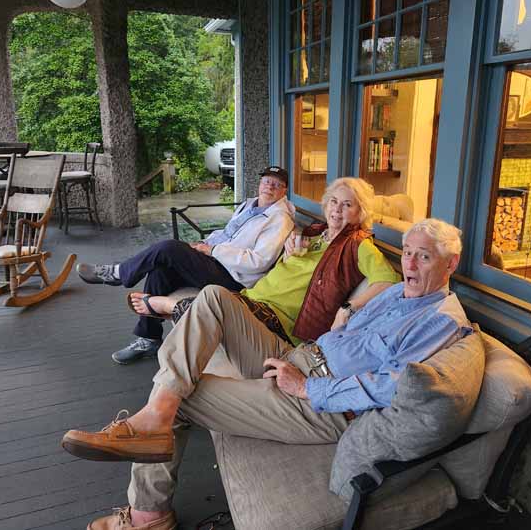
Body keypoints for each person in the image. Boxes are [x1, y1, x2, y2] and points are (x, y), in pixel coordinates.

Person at [62, 218, 471, 530]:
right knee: (214, 298)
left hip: (317, 405)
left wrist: (308, 386)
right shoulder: (400, 292)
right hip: (298, 357)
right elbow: (352, 332)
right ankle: (155, 416)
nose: (410, 264)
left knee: (179, 397)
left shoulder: (440, 321)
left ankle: (148, 515)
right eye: (407, 252)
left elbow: (388, 389)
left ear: (451, 263)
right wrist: (333, 329)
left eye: (424, 256)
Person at [127, 177, 399, 346]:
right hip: (255, 298)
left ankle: (171, 306)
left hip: (280, 319)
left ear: (360, 211)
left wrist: (349, 307)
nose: (337, 210)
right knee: (194, 286)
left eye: (347, 205)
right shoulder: (316, 233)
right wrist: (291, 248)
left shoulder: (358, 244)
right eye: (333, 202)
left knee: (213, 295)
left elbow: (389, 281)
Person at [76, 166, 295, 364]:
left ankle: (118, 273)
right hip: (214, 261)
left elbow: (258, 262)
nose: (269, 187)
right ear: (259, 183)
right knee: (160, 268)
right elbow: (227, 234)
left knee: (168, 248)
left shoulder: (280, 219)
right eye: (267, 181)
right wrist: (205, 243)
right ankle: (149, 339)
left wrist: (212, 250)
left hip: (234, 278)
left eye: (276, 184)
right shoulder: (250, 204)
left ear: (284, 191)